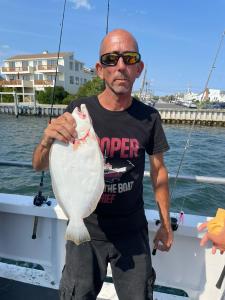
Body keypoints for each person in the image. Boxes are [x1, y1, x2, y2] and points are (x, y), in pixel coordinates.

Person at [32, 29, 173, 300]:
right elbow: (39, 165)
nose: (120, 66)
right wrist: (46, 140)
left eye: (129, 58)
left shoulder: (149, 117)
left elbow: (159, 172)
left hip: (132, 231)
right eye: (111, 59)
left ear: (139, 68)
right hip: (85, 227)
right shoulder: (77, 111)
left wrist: (165, 223)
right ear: (99, 69)